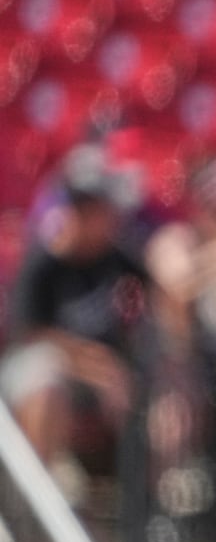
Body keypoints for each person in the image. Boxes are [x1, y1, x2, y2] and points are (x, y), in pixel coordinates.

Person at [1, 143, 150, 500]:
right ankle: (35, 501)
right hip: (36, 376)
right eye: (102, 208)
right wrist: (95, 364)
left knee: (163, 386)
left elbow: (159, 296)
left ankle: (147, 501)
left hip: (99, 382)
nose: (112, 216)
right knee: (46, 377)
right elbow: (31, 338)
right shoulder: (43, 262)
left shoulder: (117, 256)